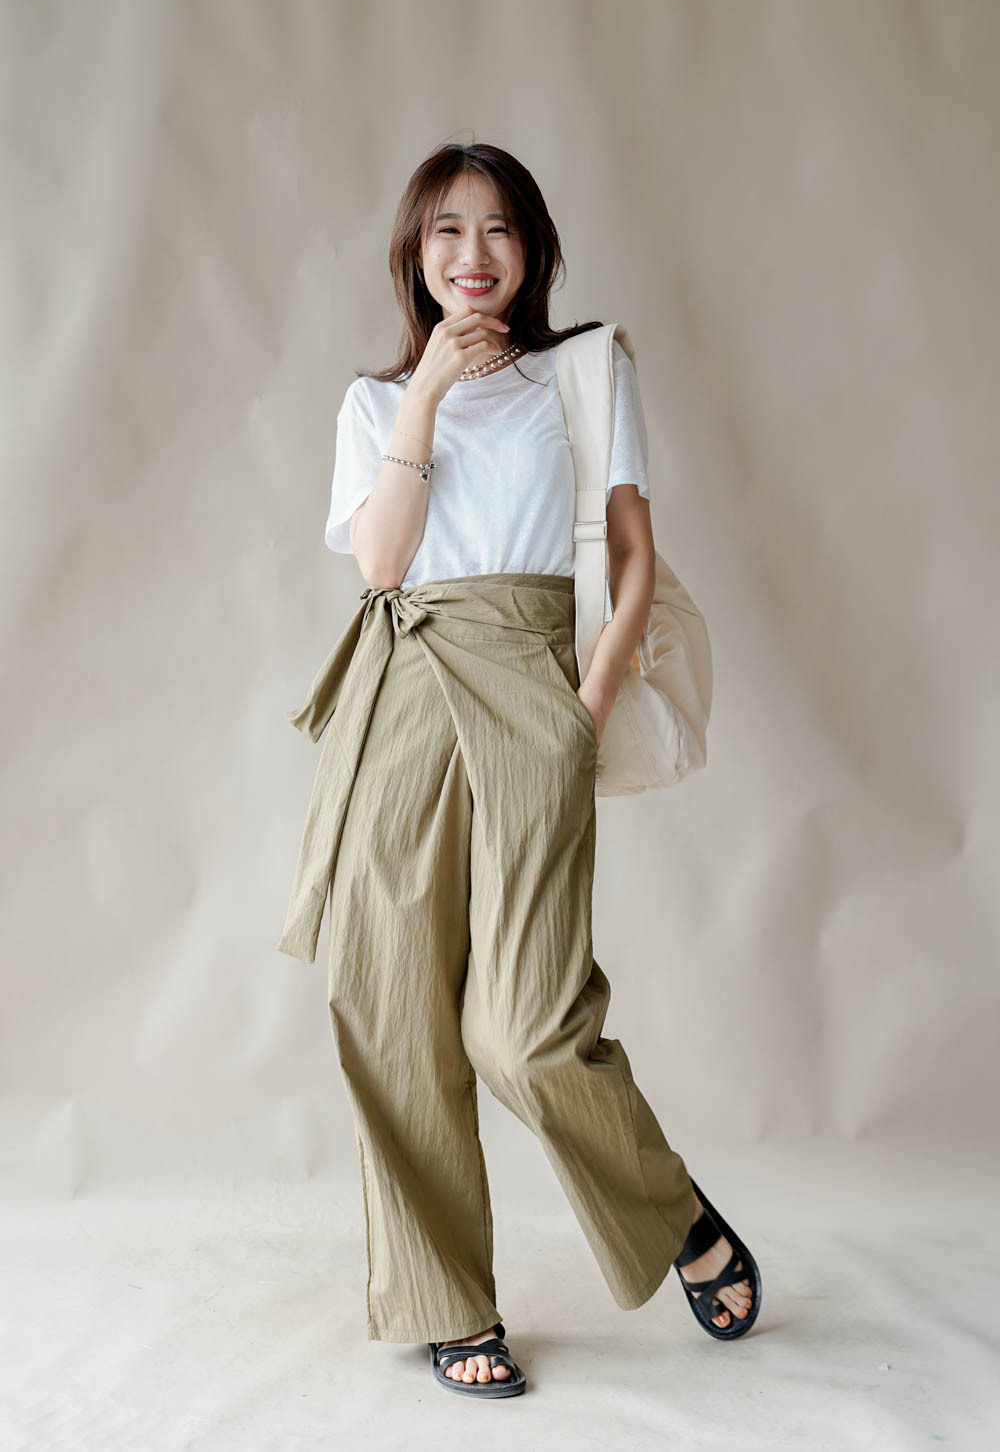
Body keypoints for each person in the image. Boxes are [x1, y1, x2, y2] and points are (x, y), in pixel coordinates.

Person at [278, 141, 760, 1399]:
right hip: (403, 694)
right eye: (446, 230)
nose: (473, 254)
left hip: (538, 682)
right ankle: (449, 1305)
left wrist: (583, 708)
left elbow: (633, 556)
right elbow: (382, 568)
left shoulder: (585, 371)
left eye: (497, 228)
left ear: (533, 248)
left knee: (528, 1025)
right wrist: (428, 395)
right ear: (414, 254)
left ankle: (673, 1212)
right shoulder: (373, 404)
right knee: (389, 1008)